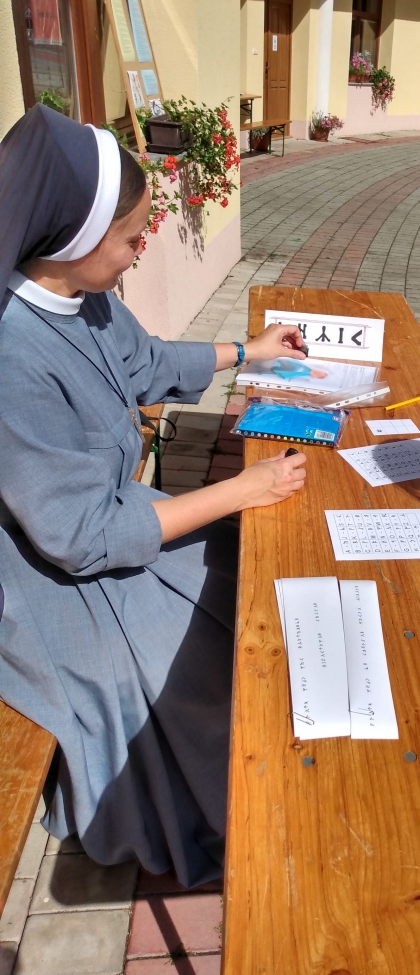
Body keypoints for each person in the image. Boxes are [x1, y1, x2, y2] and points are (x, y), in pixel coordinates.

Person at [0, 105, 309, 886]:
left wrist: (248, 351)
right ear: (70, 239)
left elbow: (145, 362)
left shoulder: (82, 294)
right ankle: (252, 812)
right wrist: (240, 488)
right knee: (204, 665)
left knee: (248, 575)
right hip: (46, 580)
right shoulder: (11, 353)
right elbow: (78, 537)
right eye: (132, 238)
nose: (142, 252)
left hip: (108, 526)